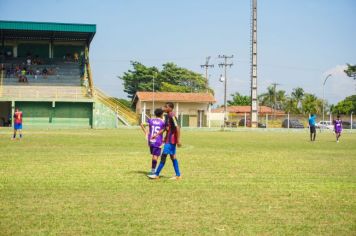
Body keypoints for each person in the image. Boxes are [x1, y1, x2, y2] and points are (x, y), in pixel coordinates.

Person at [148, 102, 182, 180]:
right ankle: (178, 175)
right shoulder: (167, 116)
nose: (164, 108)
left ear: (170, 108)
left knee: (163, 156)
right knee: (173, 157)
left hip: (171, 140)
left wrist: (178, 140)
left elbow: (178, 127)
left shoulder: (172, 115)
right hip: (168, 139)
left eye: (166, 107)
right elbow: (167, 129)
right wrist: (162, 136)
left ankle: (156, 174)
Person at [141, 108, 166, 174]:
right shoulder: (163, 122)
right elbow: (165, 129)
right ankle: (153, 170)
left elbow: (141, 124)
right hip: (158, 141)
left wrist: (146, 132)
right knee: (155, 156)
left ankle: (153, 169)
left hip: (151, 140)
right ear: (161, 114)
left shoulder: (151, 120)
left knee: (154, 155)